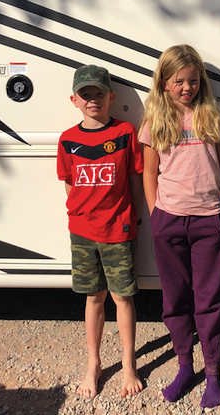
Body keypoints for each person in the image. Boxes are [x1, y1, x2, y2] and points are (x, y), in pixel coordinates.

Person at [139, 45, 220, 409]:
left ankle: (213, 374)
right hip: (169, 221)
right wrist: (157, 216)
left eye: (193, 81)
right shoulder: (156, 123)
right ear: (164, 83)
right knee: (174, 300)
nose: (187, 88)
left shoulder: (211, 116)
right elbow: (149, 173)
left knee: (208, 301)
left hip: (209, 220)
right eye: (179, 81)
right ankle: (184, 367)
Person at [57, 64, 144, 398]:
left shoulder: (125, 132)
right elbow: (69, 183)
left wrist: (133, 216)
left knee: (123, 297)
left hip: (119, 229)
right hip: (82, 231)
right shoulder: (68, 139)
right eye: (85, 94)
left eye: (98, 93)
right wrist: (83, 212)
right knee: (95, 297)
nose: (92, 100)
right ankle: (93, 363)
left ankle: (128, 364)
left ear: (112, 97)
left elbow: (135, 178)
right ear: (74, 100)